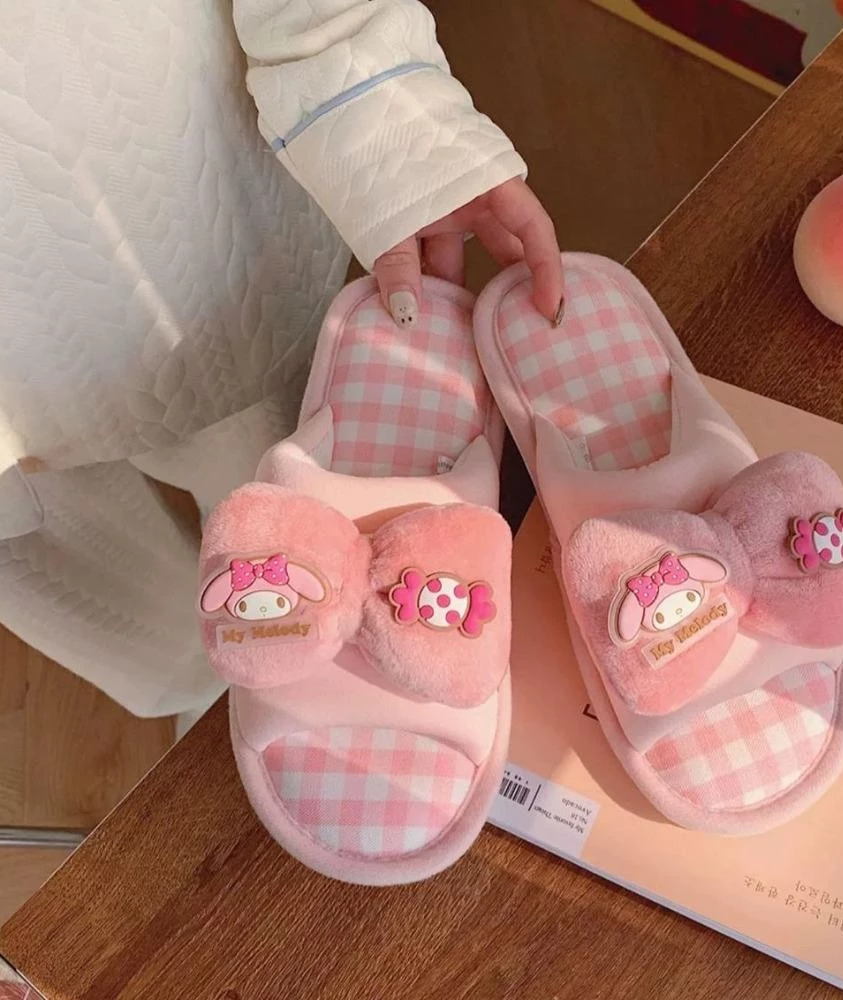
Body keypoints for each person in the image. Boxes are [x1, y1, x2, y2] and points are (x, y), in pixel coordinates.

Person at [0, 0, 563, 720]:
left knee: (278, 490)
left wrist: (390, 124)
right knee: (142, 630)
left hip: (190, 230)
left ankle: (274, 680)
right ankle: (218, 703)